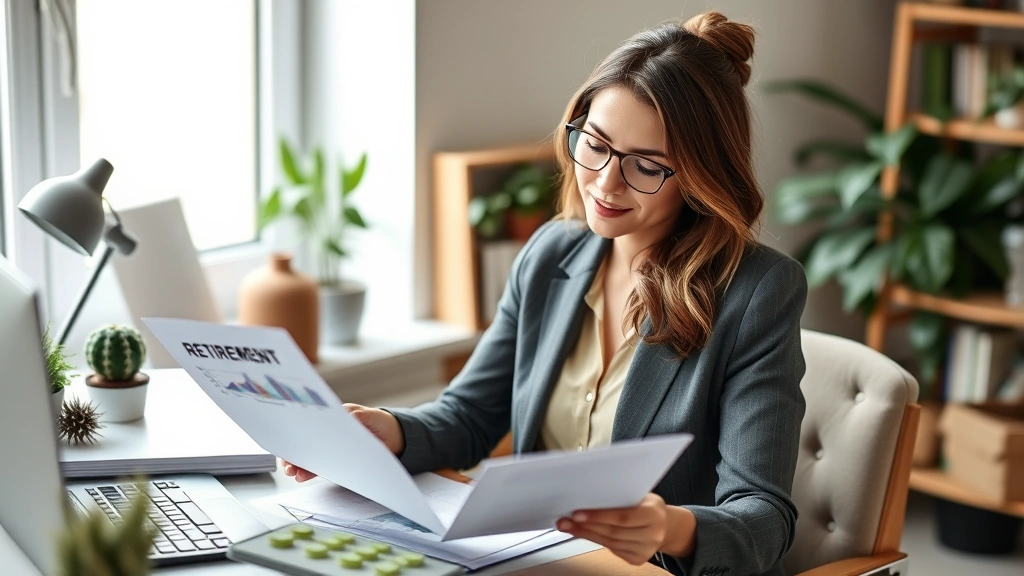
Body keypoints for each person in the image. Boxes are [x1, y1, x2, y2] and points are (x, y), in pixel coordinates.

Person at [284, 11, 806, 576]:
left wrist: (668, 526)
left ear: (701, 175)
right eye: (596, 145)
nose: (605, 182)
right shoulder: (551, 254)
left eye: (646, 166)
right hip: (534, 560)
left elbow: (764, 517)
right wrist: (390, 430)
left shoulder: (756, 292)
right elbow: (470, 416)